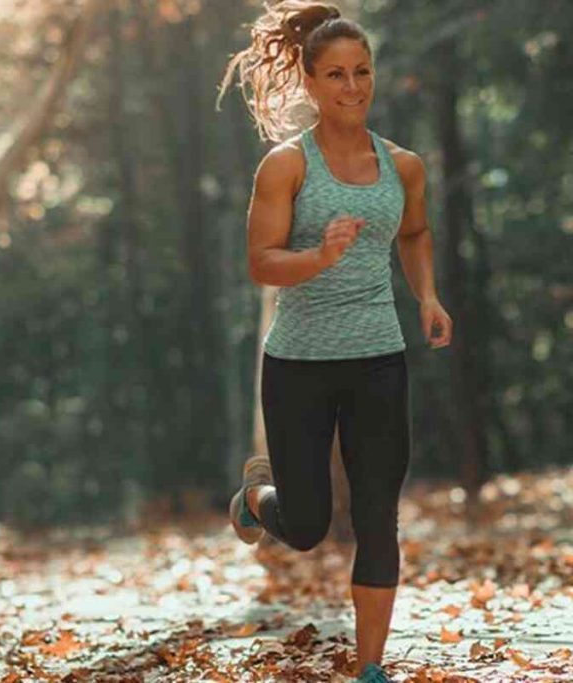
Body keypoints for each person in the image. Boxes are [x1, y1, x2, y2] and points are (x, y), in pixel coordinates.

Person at [216, 2, 453, 682]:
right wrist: (317, 257)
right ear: (312, 83)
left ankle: (371, 667)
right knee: (310, 524)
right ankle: (258, 499)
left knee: (378, 514)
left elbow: (413, 231)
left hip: (379, 358)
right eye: (336, 75)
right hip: (298, 365)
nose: (353, 87)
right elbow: (261, 262)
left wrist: (428, 295)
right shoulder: (285, 168)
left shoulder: (401, 166)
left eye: (362, 72)